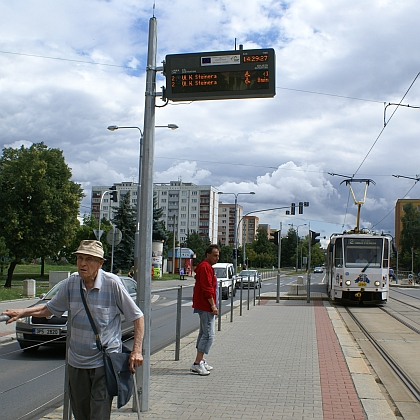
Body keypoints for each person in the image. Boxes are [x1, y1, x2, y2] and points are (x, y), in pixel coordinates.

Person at [2, 240, 144, 420]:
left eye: (89, 259)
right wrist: (23, 311)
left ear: (100, 263)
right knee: (81, 415)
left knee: (99, 415)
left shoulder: (112, 283)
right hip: (76, 363)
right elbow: (49, 309)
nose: (82, 263)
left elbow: (137, 316)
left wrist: (136, 351)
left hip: (104, 361)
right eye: (80, 258)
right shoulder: (71, 283)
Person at [191, 244, 220, 376]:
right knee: (209, 335)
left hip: (205, 305)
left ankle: (201, 360)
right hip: (206, 306)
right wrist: (213, 305)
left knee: (204, 333)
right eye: (214, 255)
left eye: (218, 255)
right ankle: (197, 363)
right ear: (207, 255)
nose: (217, 258)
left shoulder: (207, 267)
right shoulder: (204, 267)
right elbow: (207, 288)